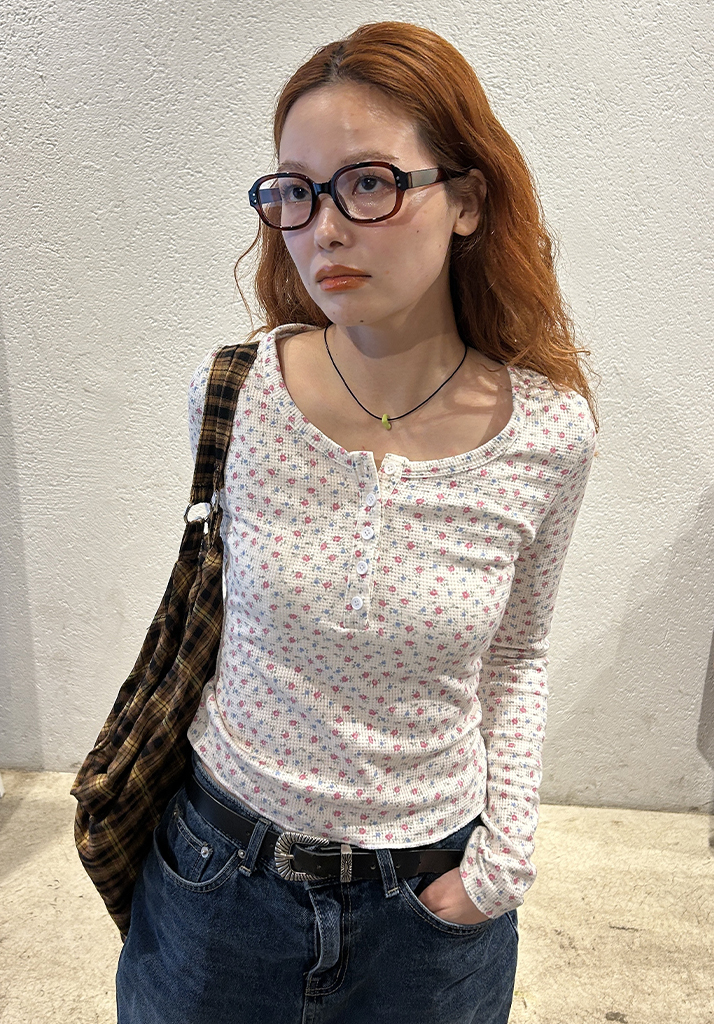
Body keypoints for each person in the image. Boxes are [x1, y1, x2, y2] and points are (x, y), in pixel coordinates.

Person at [116, 20, 597, 1024]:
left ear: (467, 200)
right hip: (218, 879)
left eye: (368, 183)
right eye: (295, 191)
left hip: (428, 905)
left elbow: (517, 654)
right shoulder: (238, 394)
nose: (322, 229)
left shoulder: (549, 433)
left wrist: (500, 866)